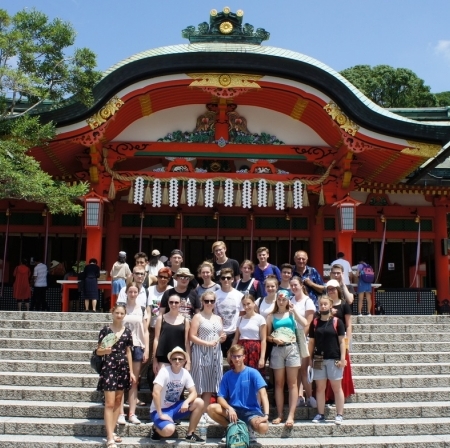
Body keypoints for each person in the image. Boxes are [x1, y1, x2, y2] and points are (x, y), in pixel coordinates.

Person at [207, 344, 269, 443]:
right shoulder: (227, 376)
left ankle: (248, 429)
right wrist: (229, 408)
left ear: (244, 356)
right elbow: (220, 397)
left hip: (251, 412)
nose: (237, 359)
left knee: (263, 427)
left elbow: (263, 394)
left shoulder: (253, 373)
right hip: (234, 412)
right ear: (231, 357)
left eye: (239, 356)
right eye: (234, 356)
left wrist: (266, 415)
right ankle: (232, 429)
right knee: (211, 408)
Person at [96, 304, 136, 448]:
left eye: (121, 313)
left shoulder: (127, 331)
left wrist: (131, 371)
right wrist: (104, 351)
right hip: (109, 367)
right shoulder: (105, 330)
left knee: (118, 401)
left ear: (125, 315)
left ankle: (112, 432)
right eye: (117, 313)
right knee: (109, 403)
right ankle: (109, 437)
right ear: (112, 313)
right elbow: (98, 351)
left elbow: (129, 351)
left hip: (123, 367)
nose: (119, 315)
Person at [266, 290, 306, 428]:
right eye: (279, 299)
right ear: (276, 300)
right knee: (278, 383)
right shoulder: (271, 316)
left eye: (284, 299)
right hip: (277, 349)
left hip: (292, 348)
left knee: (292, 383)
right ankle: (279, 413)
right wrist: (273, 338)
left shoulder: (292, 314)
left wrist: (295, 312)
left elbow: (305, 323)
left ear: (288, 300)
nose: (281, 302)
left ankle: (291, 415)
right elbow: (267, 336)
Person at [150, 346, 205, 443]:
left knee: (199, 402)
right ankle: (155, 428)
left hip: (174, 408)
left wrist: (186, 402)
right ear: (170, 360)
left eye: (180, 359)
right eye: (174, 359)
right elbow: (155, 392)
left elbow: (194, 392)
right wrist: (160, 414)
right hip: (158, 410)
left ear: (184, 361)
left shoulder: (185, 373)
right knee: (169, 431)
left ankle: (190, 434)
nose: (177, 361)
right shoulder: (164, 371)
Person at [308, 295, 346, 425]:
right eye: (321, 304)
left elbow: (342, 341)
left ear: (330, 306)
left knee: (337, 387)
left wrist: (342, 358)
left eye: (325, 304)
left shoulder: (337, 322)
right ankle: (320, 413)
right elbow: (311, 342)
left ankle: (339, 414)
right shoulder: (315, 322)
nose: (323, 306)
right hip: (318, 357)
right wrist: (309, 358)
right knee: (319, 388)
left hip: (333, 357)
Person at [117, 282, 150, 425]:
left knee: (133, 381)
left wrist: (146, 348)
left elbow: (145, 330)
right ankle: (120, 414)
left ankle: (132, 413)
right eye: (130, 291)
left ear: (138, 293)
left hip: (137, 345)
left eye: (135, 291)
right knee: (120, 381)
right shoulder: (121, 309)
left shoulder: (142, 309)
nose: (132, 294)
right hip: (121, 347)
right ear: (126, 292)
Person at [189, 291, 226, 416]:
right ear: (202, 302)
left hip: (215, 353)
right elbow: (192, 336)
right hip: (201, 352)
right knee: (199, 383)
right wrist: (206, 343)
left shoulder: (218, 318)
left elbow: (219, 335)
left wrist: (223, 337)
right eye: (207, 301)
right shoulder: (198, 316)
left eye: (212, 301)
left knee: (210, 384)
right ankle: (196, 413)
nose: (209, 303)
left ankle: (204, 413)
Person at [325, 279, 355, 402]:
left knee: (340, 368)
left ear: (338, 290)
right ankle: (329, 396)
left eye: (333, 289)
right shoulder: (325, 304)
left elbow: (348, 325)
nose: (331, 291)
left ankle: (340, 395)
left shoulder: (344, 305)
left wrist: (347, 342)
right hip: (327, 341)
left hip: (341, 341)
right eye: (329, 289)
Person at [289, 276, 316, 408]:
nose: (294, 287)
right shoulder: (290, 300)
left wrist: (300, 339)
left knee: (304, 369)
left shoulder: (308, 301)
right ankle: (300, 397)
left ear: (301, 285)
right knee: (296, 369)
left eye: (296, 285)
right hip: (292, 337)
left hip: (303, 338)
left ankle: (310, 396)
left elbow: (308, 323)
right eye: (292, 285)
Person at [153, 294, 191, 375]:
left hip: (179, 358)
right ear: (168, 303)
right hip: (163, 356)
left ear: (180, 304)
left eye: (176, 302)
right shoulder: (161, 318)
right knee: (161, 384)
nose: (173, 304)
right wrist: (154, 360)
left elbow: (187, 342)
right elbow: (156, 339)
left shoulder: (185, 321)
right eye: (171, 302)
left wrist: (188, 361)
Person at [232, 294, 266, 373]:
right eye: (244, 304)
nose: (246, 307)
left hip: (254, 349)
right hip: (241, 349)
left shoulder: (260, 318)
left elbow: (263, 339)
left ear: (254, 303)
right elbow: (236, 338)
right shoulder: (240, 319)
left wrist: (262, 357)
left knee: (254, 373)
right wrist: (231, 352)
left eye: (248, 304)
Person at [214, 267, 244, 357]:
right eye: (223, 278)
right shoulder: (214, 295)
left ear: (232, 279)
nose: (226, 280)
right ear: (220, 280)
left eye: (228, 278)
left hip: (234, 333)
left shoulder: (239, 295)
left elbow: (242, 314)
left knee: (234, 360)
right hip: (218, 333)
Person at [148, 267, 173, 355]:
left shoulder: (171, 291)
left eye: (165, 277)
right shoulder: (150, 290)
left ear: (169, 279)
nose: (162, 279)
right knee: (146, 356)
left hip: (165, 329)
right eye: (160, 276)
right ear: (157, 277)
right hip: (151, 327)